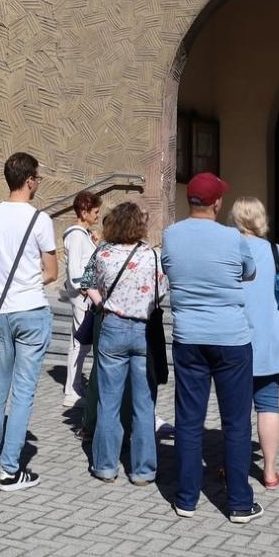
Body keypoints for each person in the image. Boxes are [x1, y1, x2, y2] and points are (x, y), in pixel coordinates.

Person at [161, 172, 261, 523]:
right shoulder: (232, 238)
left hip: (189, 337)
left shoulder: (171, 236)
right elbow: (249, 273)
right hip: (231, 337)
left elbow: (167, 269)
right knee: (236, 423)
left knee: (188, 421)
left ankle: (186, 499)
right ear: (217, 203)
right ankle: (238, 503)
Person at [0, 151, 58, 492]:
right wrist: (32, 280)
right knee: (23, 391)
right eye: (37, 178)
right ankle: (11, 470)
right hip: (30, 309)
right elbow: (52, 272)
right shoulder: (39, 218)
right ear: (29, 181)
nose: (38, 183)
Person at [79, 201, 166, 485]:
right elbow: (161, 291)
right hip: (143, 330)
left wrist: (101, 302)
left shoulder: (103, 252)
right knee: (144, 404)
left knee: (109, 400)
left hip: (112, 327)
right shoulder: (151, 255)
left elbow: (86, 282)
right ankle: (142, 470)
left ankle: (105, 466)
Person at [230, 197, 279, 490]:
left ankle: (231, 466)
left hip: (235, 337)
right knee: (269, 405)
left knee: (235, 410)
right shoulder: (276, 251)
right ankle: (270, 472)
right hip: (271, 339)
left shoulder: (229, 250)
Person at [62, 191, 101, 407]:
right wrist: (84, 289)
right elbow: (75, 268)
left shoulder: (82, 235)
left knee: (79, 343)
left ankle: (74, 386)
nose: (97, 215)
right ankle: (72, 390)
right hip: (83, 297)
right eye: (95, 211)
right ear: (84, 211)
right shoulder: (76, 235)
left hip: (84, 295)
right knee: (80, 343)